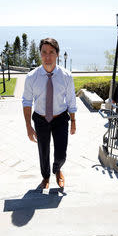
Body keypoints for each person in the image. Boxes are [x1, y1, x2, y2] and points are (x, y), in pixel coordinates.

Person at [22, 38, 77, 189]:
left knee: (61, 154)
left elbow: (72, 100)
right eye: (44, 52)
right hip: (40, 119)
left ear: (57, 54)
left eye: (51, 52)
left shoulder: (66, 76)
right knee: (43, 151)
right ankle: (46, 177)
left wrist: (73, 121)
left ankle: (57, 169)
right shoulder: (31, 77)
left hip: (60, 119)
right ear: (40, 54)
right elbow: (26, 102)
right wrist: (28, 126)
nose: (47, 57)